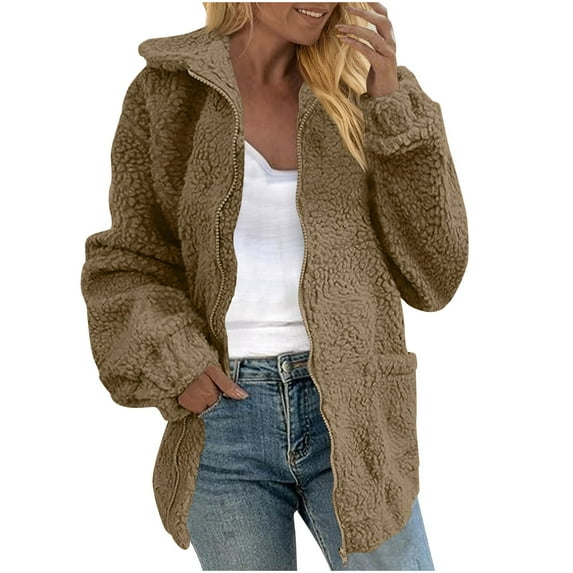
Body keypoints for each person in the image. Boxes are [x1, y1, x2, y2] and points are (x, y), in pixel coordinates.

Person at [81, 2, 468, 570]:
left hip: (351, 410)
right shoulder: (170, 91)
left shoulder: (362, 93)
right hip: (227, 419)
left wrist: (391, 108)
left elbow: (435, 274)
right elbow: (132, 258)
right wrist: (178, 363)